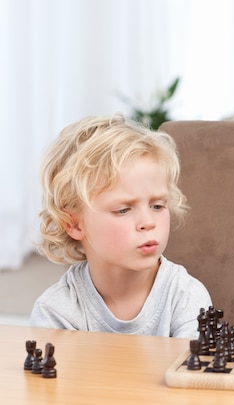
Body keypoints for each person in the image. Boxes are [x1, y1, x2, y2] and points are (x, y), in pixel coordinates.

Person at [31, 114, 212, 338]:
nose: (148, 222)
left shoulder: (186, 297)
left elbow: (191, 371)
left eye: (157, 206)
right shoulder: (56, 311)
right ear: (74, 224)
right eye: (123, 210)